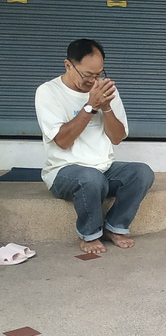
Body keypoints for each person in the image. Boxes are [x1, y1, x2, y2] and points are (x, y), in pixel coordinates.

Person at [35, 39, 154, 254]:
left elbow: (117, 138)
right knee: (90, 178)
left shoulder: (105, 90)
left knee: (141, 173)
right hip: (64, 171)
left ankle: (115, 227)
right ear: (68, 65)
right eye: (87, 75)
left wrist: (106, 107)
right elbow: (62, 141)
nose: (94, 81)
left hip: (104, 168)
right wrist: (90, 106)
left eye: (99, 74)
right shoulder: (48, 92)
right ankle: (89, 234)